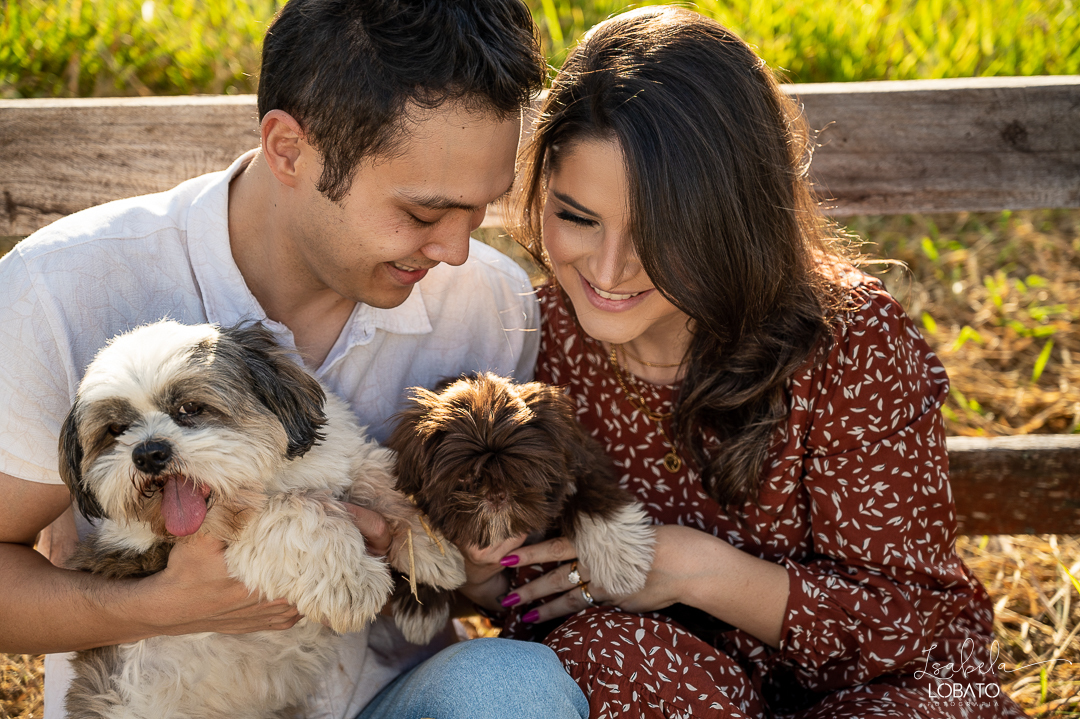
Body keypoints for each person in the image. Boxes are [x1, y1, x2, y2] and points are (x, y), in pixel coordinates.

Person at [0, 1, 587, 718]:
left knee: (514, 691)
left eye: (481, 210)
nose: (459, 251)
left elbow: (466, 571)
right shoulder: (61, 286)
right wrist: (161, 604)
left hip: (387, 697)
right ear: (287, 150)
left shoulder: (487, 301)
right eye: (425, 213)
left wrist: (480, 561)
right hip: (165, 698)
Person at [456, 7, 1026, 718]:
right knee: (602, 655)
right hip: (673, 691)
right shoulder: (529, 340)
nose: (607, 268)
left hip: (882, 688)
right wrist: (484, 580)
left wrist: (694, 569)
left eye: (661, 232)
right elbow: (534, 605)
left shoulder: (852, 342)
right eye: (577, 216)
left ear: (733, 218)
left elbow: (909, 625)